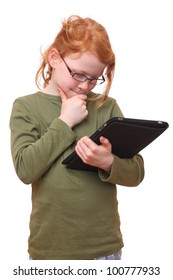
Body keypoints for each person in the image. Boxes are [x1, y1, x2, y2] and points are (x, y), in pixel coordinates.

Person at [10, 15, 145, 260]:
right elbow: (25, 169)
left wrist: (108, 162)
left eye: (95, 78)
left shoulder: (106, 107)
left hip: (105, 248)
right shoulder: (26, 107)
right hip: (51, 250)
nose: (86, 86)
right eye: (80, 74)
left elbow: (136, 173)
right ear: (54, 58)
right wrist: (64, 122)